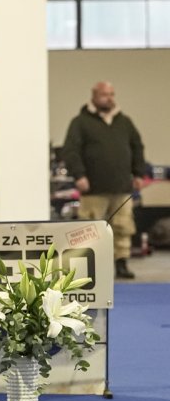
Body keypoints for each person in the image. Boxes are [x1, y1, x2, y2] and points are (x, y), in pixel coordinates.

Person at [62, 81, 145, 279]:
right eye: (105, 94)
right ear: (94, 96)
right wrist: (79, 175)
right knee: (89, 229)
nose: (109, 98)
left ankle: (121, 263)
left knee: (123, 226)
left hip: (121, 186)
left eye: (112, 94)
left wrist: (139, 173)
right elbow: (71, 151)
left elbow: (137, 147)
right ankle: (87, 266)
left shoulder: (124, 122)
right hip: (92, 187)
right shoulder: (80, 122)